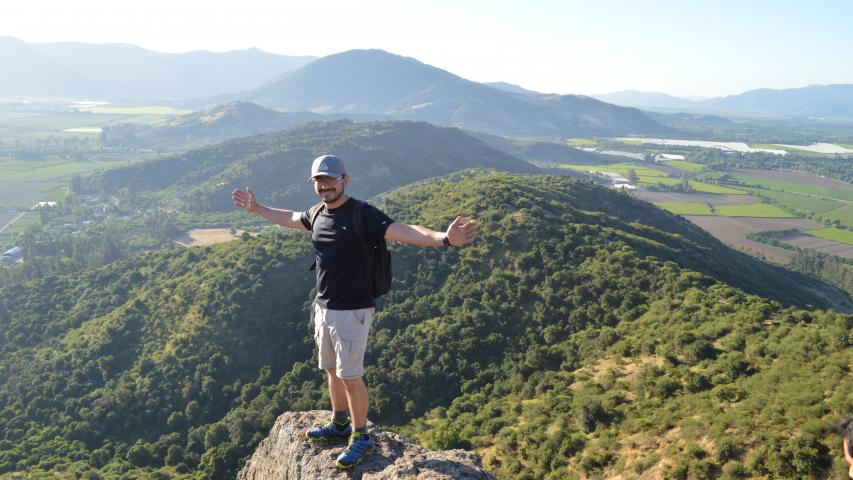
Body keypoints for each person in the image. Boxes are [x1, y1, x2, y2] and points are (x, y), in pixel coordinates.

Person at [232, 154, 477, 469]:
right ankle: (339, 423)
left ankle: (361, 436)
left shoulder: (363, 214)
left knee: (350, 376)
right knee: (332, 371)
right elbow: (293, 218)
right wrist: (257, 208)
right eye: (319, 181)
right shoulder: (318, 212)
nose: (324, 186)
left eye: (330, 180)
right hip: (324, 307)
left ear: (344, 180)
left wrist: (444, 239)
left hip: (352, 311)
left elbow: (406, 231)